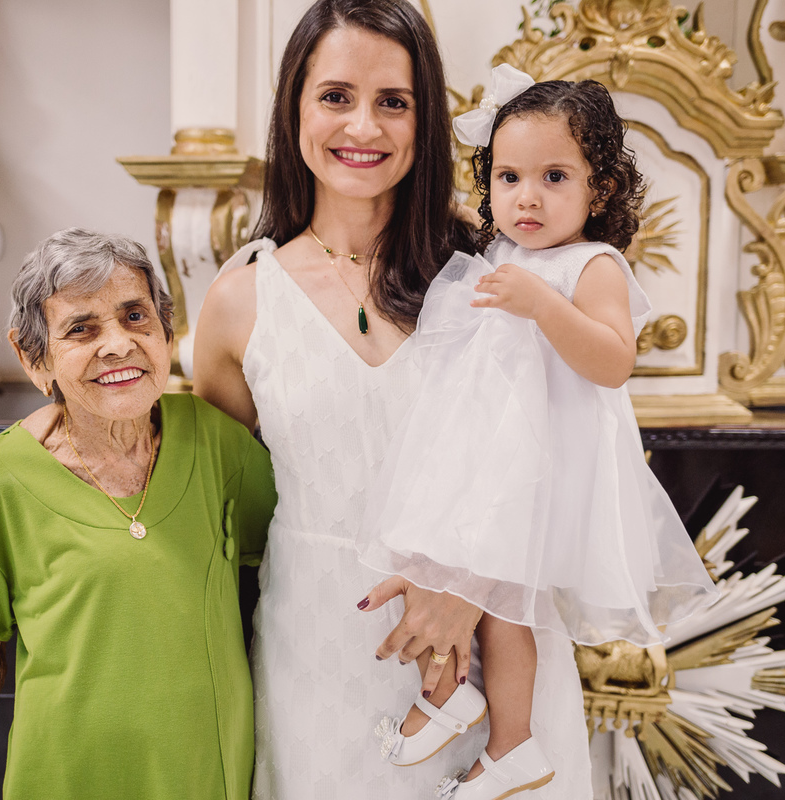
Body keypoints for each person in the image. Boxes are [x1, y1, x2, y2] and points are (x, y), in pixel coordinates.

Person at [193, 3, 594, 797]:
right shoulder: (241, 299)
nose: (364, 127)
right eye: (336, 96)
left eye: (394, 101)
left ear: (427, 118)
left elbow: (563, 458)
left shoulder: (491, 269)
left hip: (492, 642)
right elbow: (225, 505)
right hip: (317, 640)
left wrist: (466, 587)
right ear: (294, 109)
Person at [359, 67, 720, 799]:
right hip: (476, 460)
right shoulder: (500, 257)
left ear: (601, 189)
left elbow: (613, 361)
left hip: (536, 472)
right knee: (426, 566)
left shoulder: (593, 265)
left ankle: (513, 743)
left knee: (500, 609)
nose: (527, 195)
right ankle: (448, 693)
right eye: (509, 175)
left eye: (554, 175)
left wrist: (541, 306)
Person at [0, 229, 276, 800]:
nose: (117, 345)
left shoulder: (216, 441)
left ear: (167, 331)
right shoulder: (7, 475)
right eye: (80, 329)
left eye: (135, 315)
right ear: (33, 357)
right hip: (65, 774)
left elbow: (290, 563)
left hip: (202, 771)